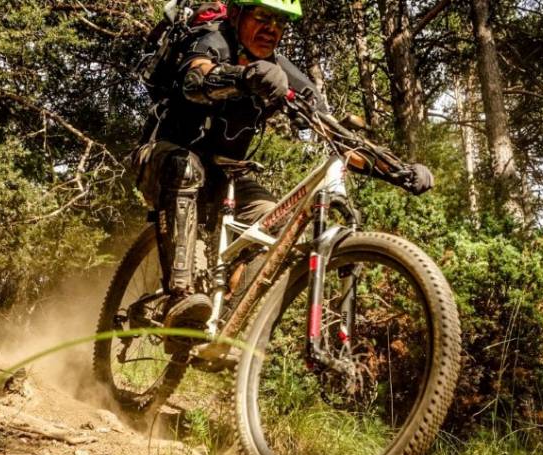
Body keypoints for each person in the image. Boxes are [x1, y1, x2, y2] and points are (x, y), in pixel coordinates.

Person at [131, 0, 433, 331]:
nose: (271, 28)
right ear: (237, 14)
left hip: (224, 175)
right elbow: (195, 80)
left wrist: (397, 171)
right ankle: (180, 297)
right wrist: (244, 78)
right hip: (162, 159)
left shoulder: (282, 70)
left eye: (280, 21)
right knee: (185, 167)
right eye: (262, 16)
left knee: (278, 223)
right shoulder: (213, 40)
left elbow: (338, 137)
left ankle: (225, 321)